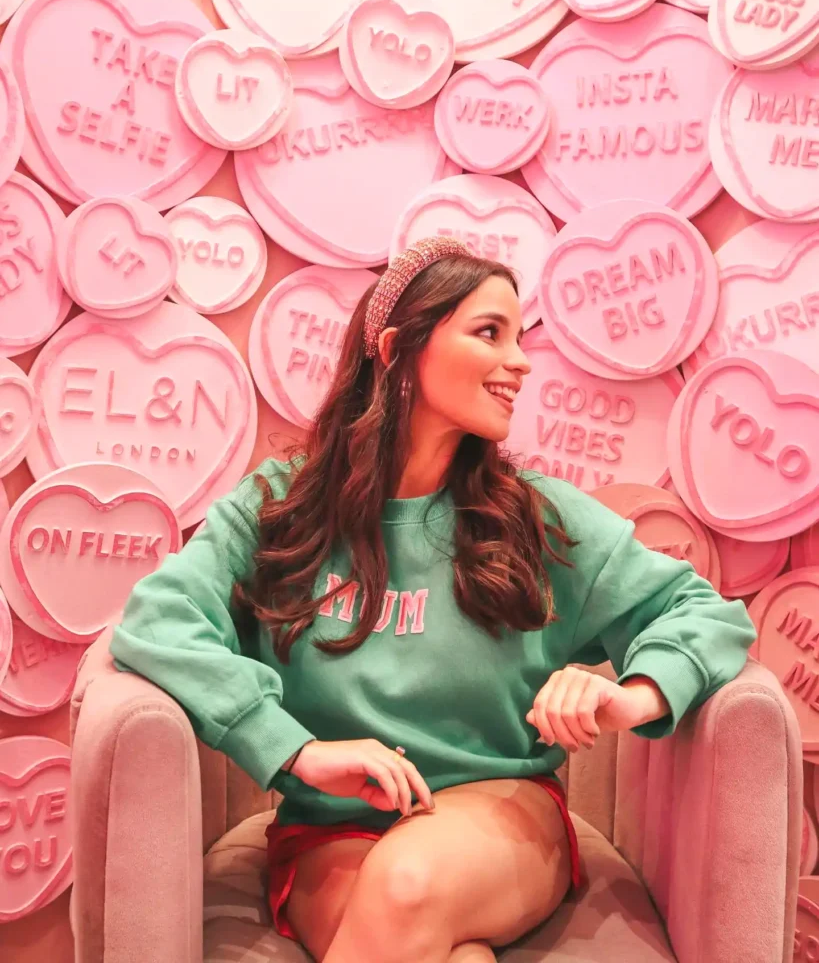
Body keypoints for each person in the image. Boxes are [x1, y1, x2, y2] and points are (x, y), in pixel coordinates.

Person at [110, 236, 757, 963]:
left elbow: (703, 613)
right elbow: (156, 621)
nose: (519, 362)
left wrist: (630, 697)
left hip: (500, 812)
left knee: (406, 883)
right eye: (489, 333)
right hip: (331, 831)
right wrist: (295, 752)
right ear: (395, 349)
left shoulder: (536, 517)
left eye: (519, 338)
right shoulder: (277, 510)